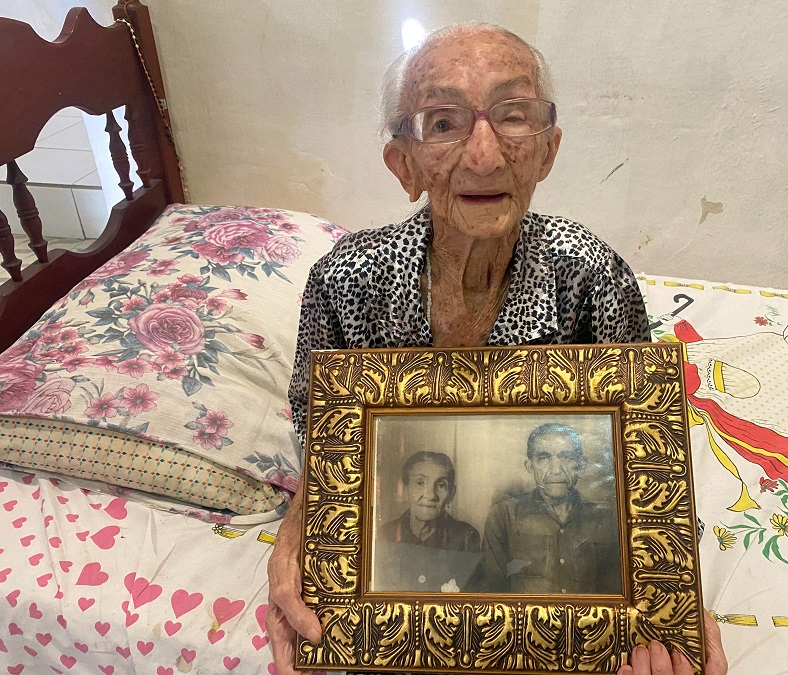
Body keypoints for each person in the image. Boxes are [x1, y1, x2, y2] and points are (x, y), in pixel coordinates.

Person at [266, 22, 727, 675]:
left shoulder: (593, 277)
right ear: (403, 164)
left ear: (547, 151)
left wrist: (673, 595)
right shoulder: (344, 283)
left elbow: (647, 464)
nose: (484, 154)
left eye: (513, 116)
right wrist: (298, 521)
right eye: (444, 123)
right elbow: (320, 435)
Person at [468, 423, 620, 594]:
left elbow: (614, 590)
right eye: (543, 458)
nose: (556, 470)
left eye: (566, 457)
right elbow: (491, 589)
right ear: (530, 467)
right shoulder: (504, 515)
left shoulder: (604, 518)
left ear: (581, 465)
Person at [375, 451, 481, 592]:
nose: (430, 495)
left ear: (451, 494)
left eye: (441, 485)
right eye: (420, 483)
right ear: (405, 490)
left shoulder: (466, 538)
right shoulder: (386, 535)